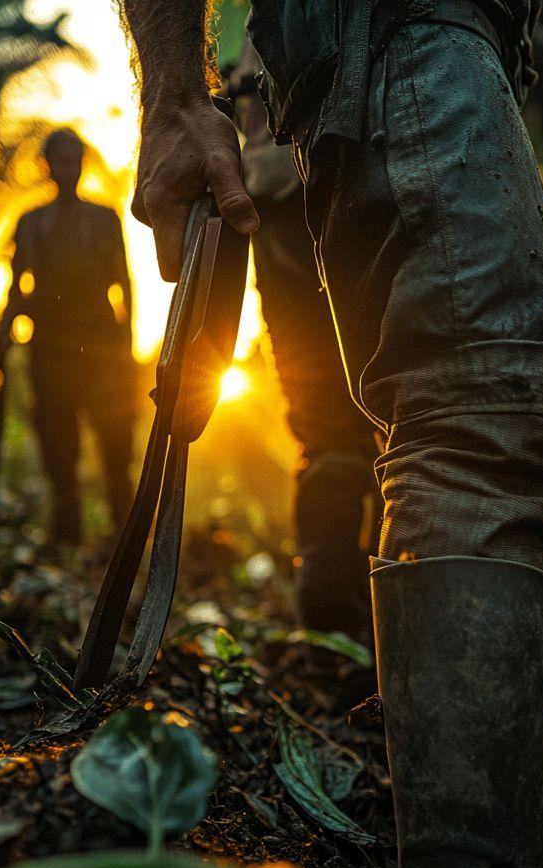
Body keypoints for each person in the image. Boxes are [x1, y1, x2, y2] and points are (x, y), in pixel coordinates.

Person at [119, 0, 543, 868]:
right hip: (402, 48)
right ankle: (466, 863)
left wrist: (182, 98)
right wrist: (174, 96)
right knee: (484, 423)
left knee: (354, 429)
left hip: (318, 121)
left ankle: (348, 652)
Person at [226, 42, 381, 643]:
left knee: (335, 425)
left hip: (289, 187)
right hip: (347, 177)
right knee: (381, 418)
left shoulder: (256, 35)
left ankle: (338, 614)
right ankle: (348, 611)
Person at [3, 129, 139, 547]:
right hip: (50, 351)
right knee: (58, 452)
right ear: (46, 166)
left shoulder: (104, 218)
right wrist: (2, 338)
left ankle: (126, 539)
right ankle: (67, 540)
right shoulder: (31, 223)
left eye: (74, 160)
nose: (68, 169)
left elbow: (124, 283)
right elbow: (16, 287)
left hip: (101, 350)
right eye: (61, 161)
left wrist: (126, 346)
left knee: (116, 448)